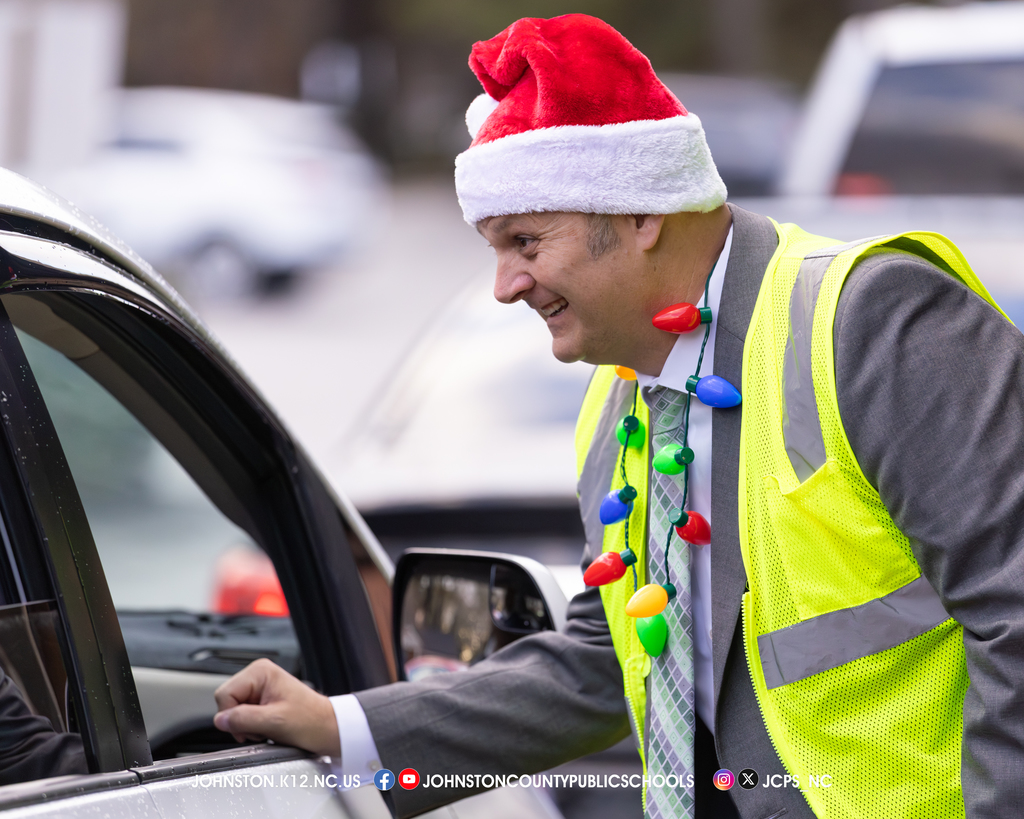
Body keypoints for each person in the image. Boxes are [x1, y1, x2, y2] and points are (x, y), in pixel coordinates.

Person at [213, 14, 1024, 819]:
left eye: (526, 242)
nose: (504, 285)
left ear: (642, 214)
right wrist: (343, 725)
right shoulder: (617, 404)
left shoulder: (871, 320)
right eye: (495, 248)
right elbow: (616, 661)